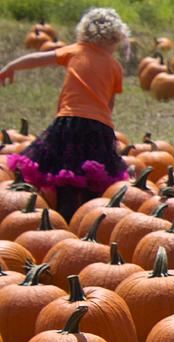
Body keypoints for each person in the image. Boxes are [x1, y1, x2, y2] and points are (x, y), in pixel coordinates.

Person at [0, 8, 130, 221]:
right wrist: (106, 130)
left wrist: (11, 66)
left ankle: (63, 217)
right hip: (99, 126)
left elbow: (39, 58)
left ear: (84, 33)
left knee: (64, 174)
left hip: (69, 122)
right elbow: (109, 104)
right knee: (94, 178)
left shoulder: (76, 50)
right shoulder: (115, 66)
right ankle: (88, 220)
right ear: (116, 39)